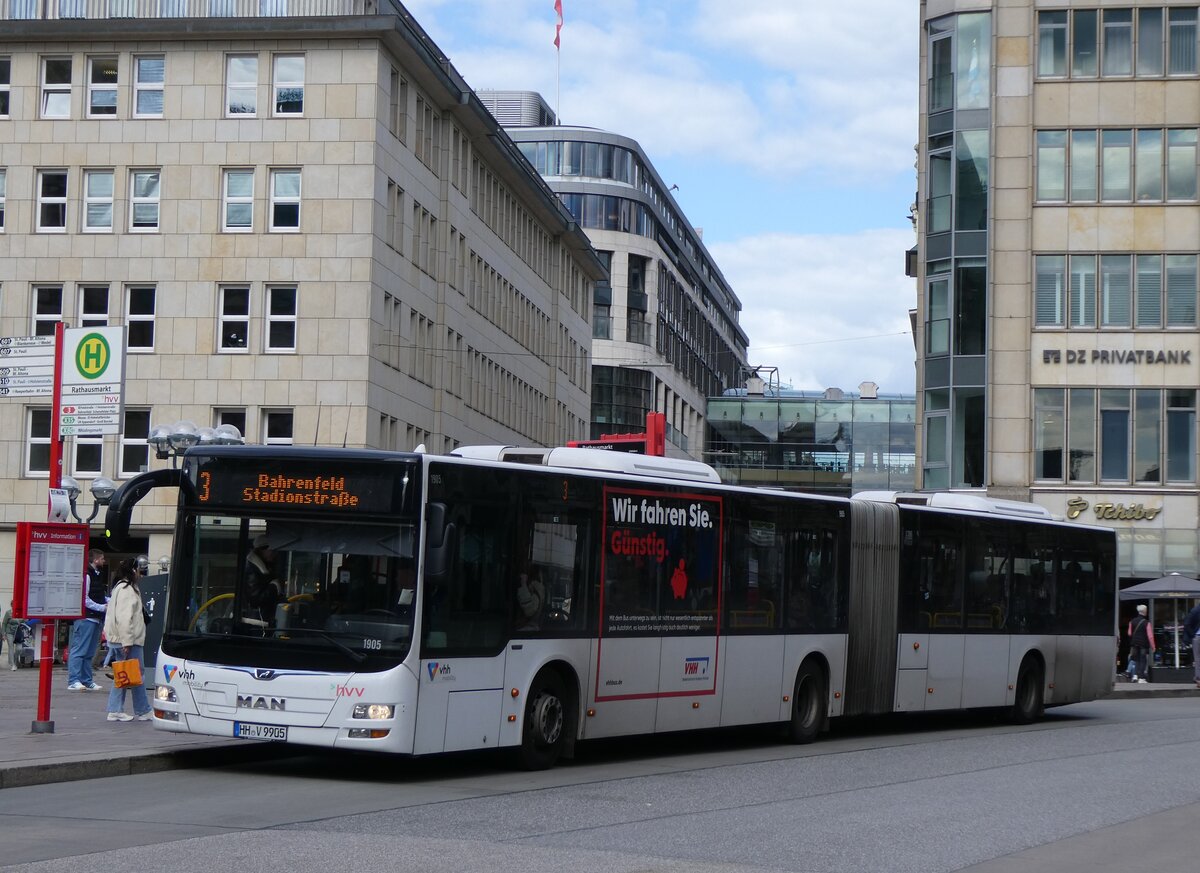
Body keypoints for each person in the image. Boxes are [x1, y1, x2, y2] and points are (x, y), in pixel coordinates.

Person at [103, 558, 152, 722]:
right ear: (133, 570)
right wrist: (127, 642)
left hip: (121, 639)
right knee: (134, 674)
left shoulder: (121, 587)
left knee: (125, 674)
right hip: (128, 640)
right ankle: (139, 710)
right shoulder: (127, 589)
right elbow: (125, 618)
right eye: (139, 569)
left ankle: (122, 709)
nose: (141, 573)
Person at [67, 549, 108, 692]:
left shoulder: (94, 575)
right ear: (95, 560)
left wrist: (105, 604)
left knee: (88, 651)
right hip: (87, 617)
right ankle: (74, 680)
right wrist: (103, 607)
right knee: (80, 650)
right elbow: (85, 599)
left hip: (94, 618)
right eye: (102, 558)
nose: (104, 561)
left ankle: (86, 680)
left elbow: (94, 597)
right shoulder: (87, 575)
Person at [244, 534, 282, 625]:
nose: (274, 553)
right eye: (272, 550)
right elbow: (255, 599)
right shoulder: (252, 569)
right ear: (261, 550)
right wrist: (274, 587)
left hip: (262, 619)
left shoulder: (266, 566)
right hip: (256, 622)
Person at [1126, 604, 1155, 684]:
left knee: (1135, 659)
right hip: (1143, 644)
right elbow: (1150, 636)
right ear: (1144, 611)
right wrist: (1153, 646)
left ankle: (1135, 675)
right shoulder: (1146, 623)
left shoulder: (1132, 621)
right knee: (1143, 660)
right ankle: (1141, 677)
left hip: (1134, 643)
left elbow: (1129, 633)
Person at [515, 566, 545, 631]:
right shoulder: (538, 589)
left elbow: (529, 610)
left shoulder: (535, 590)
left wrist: (523, 584)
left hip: (529, 627)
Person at [1183, 600, 1200, 689]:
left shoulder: (1195, 610)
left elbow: (1187, 623)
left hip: (1197, 637)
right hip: (1197, 636)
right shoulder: (1196, 610)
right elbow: (1187, 624)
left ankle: (1198, 679)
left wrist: (1193, 634)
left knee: (1197, 659)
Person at [2, 602, 17, 671]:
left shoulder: (21, 612)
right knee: (11, 647)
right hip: (9, 633)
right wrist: (3, 634)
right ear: (11, 605)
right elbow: (4, 623)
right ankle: (13, 664)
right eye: (13, 605)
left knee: (19, 649)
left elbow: (25, 620)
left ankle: (14, 661)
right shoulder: (8, 613)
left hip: (18, 633)